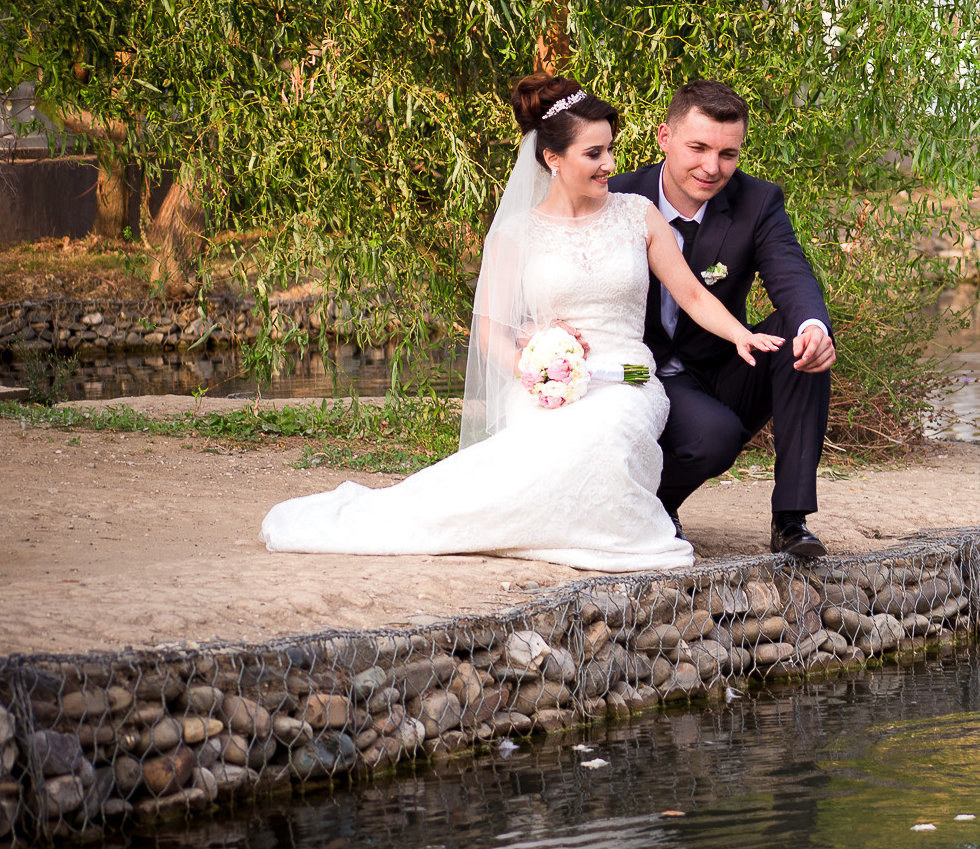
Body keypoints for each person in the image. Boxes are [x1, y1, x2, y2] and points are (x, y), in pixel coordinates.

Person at [259, 75, 782, 571]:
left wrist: (742, 334)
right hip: (544, 384)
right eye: (594, 154)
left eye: (609, 150)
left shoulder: (637, 214)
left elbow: (692, 293)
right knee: (524, 466)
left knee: (607, 434)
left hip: (629, 379)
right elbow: (489, 332)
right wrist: (533, 368)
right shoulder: (515, 234)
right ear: (553, 158)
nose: (609, 164)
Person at [609, 80, 836, 558]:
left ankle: (790, 520)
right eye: (698, 148)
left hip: (721, 365)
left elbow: (791, 273)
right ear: (664, 137)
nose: (712, 168)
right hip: (633, 371)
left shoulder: (758, 202)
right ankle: (653, 506)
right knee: (713, 438)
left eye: (728, 154)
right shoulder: (616, 197)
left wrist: (814, 327)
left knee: (800, 338)